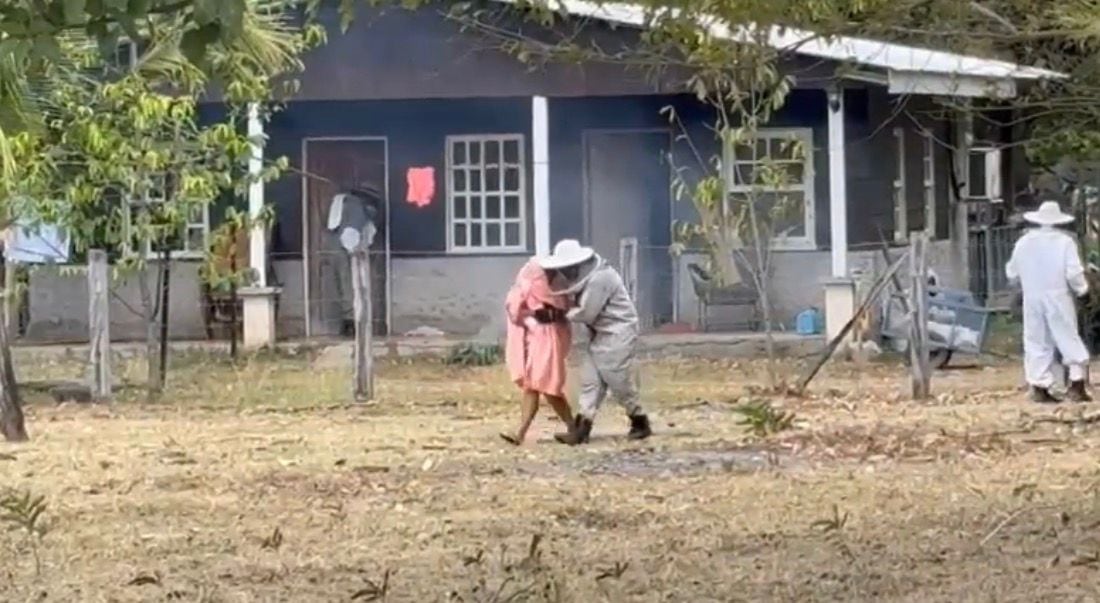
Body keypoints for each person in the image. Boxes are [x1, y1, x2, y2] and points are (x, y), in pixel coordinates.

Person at [538, 239, 653, 445]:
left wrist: (556, 314)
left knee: (616, 379)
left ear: (577, 265)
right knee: (590, 380)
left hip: (618, 330)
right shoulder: (589, 278)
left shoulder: (601, 278)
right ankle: (582, 429)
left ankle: (639, 420)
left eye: (567, 268)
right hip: (600, 332)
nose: (565, 273)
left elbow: (587, 312)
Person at [1005, 201, 1092, 403]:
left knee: (1036, 339)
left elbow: (1012, 272)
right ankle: (1076, 383)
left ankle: (1039, 386)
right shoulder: (1065, 242)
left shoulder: (1024, 242)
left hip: (1032, 296)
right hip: (1058, 295)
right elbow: (1073, 272)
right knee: (1067, 335)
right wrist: (1083, 290)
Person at [500, 258, 577, 445]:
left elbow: (564, 311)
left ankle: (574, 428)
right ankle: (521, 432)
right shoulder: (533, 277)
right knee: (533, 385)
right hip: (536, 338)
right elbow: (516, 310)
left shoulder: (556, 286)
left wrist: (547, 314)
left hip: (549, 338)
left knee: (547, 386)